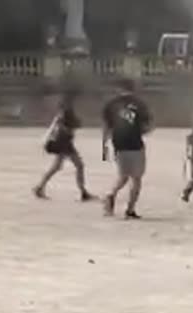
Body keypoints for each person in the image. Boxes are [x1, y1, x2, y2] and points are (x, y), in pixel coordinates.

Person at [100, 79, 152, 220]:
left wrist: (104, 145)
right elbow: (147, 128)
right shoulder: (140, 104)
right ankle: (130, 209)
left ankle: (110, 194)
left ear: (118, 89)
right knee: (136, 178)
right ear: (133, 88)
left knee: (123, 176)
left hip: (119, 144)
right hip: (135, 144)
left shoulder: (110, 104)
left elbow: (106, 127)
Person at [34, 93, 93, 201]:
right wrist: (73, 126)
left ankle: (40, 187)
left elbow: (60, 124)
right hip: (64, 142)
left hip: (64, 142)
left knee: (57, 167)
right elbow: (64, 125)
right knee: (79, 165)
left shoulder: (64, 111)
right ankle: (83, 192)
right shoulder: (67, 111)